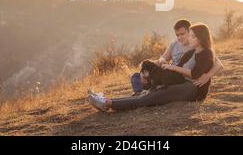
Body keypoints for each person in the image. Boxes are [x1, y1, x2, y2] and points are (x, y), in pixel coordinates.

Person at [88, 23, 219, 111]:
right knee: (149, 92)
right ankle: (106, 100)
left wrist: (174, 68)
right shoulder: (191, 52)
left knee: (151, 97)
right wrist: (160, 71)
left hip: (192, 89)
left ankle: (108, 103)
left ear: (201, 38)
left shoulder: (207, 53)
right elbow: (176, 69)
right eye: (189, 35)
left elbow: (195, 74)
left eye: (192, 36)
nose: (189, 39)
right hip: (181, 82)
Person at [130, 19, 223, 95]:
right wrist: (145, 70)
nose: (179, 37)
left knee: (163, 87)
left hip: (176, 78)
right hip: (166, 73)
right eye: (177, 35)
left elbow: (218, 64)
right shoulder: (174, 44)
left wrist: (207, 76)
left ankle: (145, 93)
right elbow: (162, 59)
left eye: (182, 34)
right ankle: (140, 93)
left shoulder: (197, 48)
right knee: (136, 76)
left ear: (189, 31)